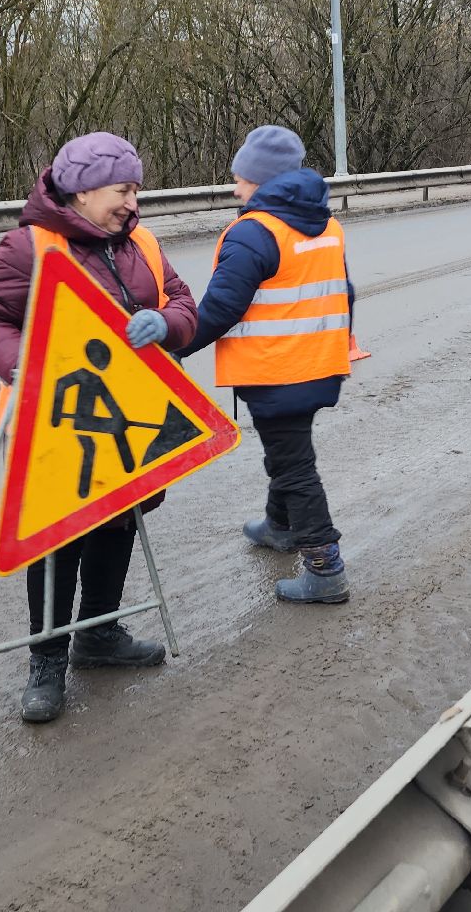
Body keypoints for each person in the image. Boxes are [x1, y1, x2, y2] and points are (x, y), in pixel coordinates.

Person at [0, 131, 199, 723]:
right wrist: (22, 364)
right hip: (56, 422)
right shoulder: (31, 246)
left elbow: (182, 301)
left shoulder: (140, 240)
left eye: (135, 190)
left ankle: (99, 635)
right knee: (56, 538)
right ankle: (47, 659)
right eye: (123, 190)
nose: (132, 202)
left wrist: (165, 324)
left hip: (130, 421)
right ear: (83, 190)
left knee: (119, 520)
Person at [176, 126, 354, 604]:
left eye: (241, 179)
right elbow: (344, 294)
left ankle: (324, 568)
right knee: (289, 450)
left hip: (276, 371)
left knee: (294, 464)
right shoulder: (326, 225)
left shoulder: (255, 232)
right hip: (318, 365)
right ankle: (279, 526)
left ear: (263, 181)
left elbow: (219, 309)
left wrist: (175, 348)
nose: (236, 188)